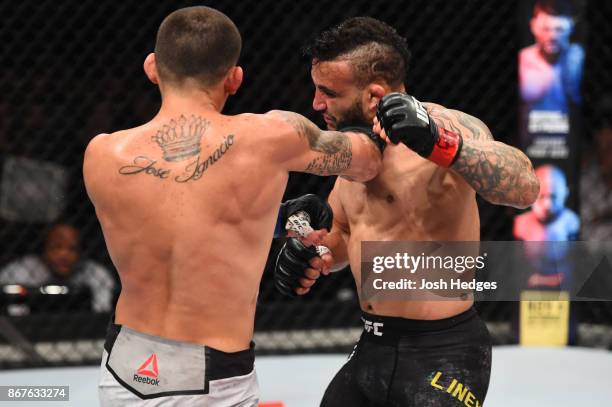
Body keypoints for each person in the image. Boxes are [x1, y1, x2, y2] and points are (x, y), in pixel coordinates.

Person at [83, 6, 384, 406]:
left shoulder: (102, 153)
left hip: (122, 366)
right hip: (212, 377)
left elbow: (175, 219)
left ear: (152, 67)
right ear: (235, 78)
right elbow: (368, 158)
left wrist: (273, 219)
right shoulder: (272, 136)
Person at [274, 17, 539, 406]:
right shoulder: (348, 150)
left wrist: (442, 144)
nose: (316, 103)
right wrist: (307, 246)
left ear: (373, 94)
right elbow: (344, 238)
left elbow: (525, 188)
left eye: (328, 92)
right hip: (373, 344)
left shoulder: (448, 125)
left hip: (445, 350)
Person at [0, 222, 116, 312]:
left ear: (81, 253)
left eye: (72, 249)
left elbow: (102, 312)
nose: (63, 255)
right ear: (43, 250)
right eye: (56, 247)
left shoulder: (94, 273)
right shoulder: (22, 271)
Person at [518, 0, 583, 151]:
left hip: (570, 144)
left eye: (559, 29)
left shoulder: (578, 59)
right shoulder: (523, 59)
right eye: (546, 29)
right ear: (534, 26)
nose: (553, 36)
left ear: (570, 28)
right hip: (529, 143)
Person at [514, 164, 579, 289]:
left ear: (565, 194)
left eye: (553, 196)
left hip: (562, 284)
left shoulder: (571, 222)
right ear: (529, 192)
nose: (547, 205)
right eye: (541, 196)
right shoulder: (521, 223)